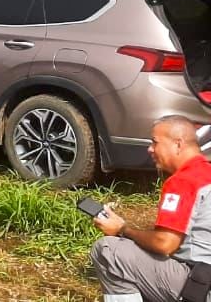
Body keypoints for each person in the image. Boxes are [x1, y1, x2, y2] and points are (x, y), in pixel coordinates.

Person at [90, 115, 211, 302]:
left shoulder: (185, 181)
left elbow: (164, 244)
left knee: (108, 250)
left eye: (155, 142)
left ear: (178, 144)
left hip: (201, 285)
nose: (150, 149)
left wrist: (122, 229)